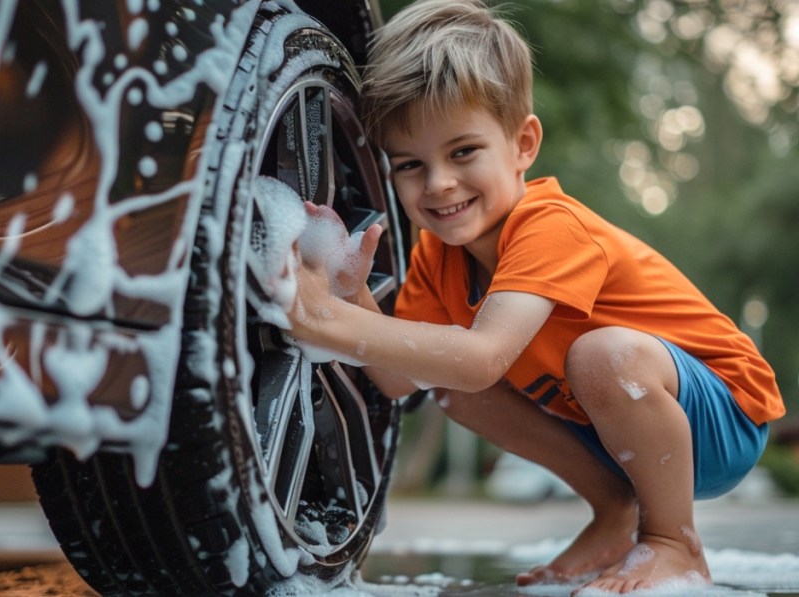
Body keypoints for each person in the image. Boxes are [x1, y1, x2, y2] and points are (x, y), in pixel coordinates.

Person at [285, 0, 786, 593]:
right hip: (611, 428)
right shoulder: (436, 256)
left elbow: (483, 357)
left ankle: (674, 542)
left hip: (722, 413)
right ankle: (613, 512)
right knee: (443, 380)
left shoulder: (548, 226)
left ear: (523, 145)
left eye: (463, 152)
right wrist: (349, 299)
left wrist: (318, 317)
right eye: (410, 164)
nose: (439, 183)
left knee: (601, 357)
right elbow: (399, 380)